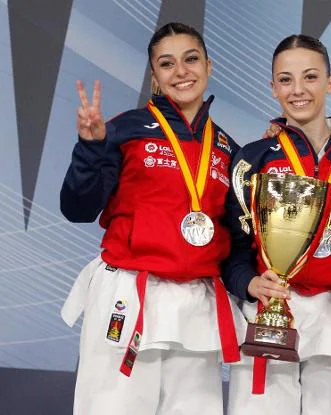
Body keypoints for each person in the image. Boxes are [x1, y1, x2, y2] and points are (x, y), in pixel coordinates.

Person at [59, 22, 246, 415]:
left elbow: (234, 237)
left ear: (209, 66)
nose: (181, 72)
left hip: (197, 303)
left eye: (191, 59)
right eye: (167, 64)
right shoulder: (124, 129)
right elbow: (77, 208)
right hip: (129, 294)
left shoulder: (228, 149)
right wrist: (91, 149)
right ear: (155, 76)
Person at [223, 34, 331, 415]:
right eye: (285, 79)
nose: (298, 90)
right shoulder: (252, 160)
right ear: (272, 87)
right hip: (269, 314)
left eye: (310, 77)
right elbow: (232, 246)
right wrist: (247, 282)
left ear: (330, 82)